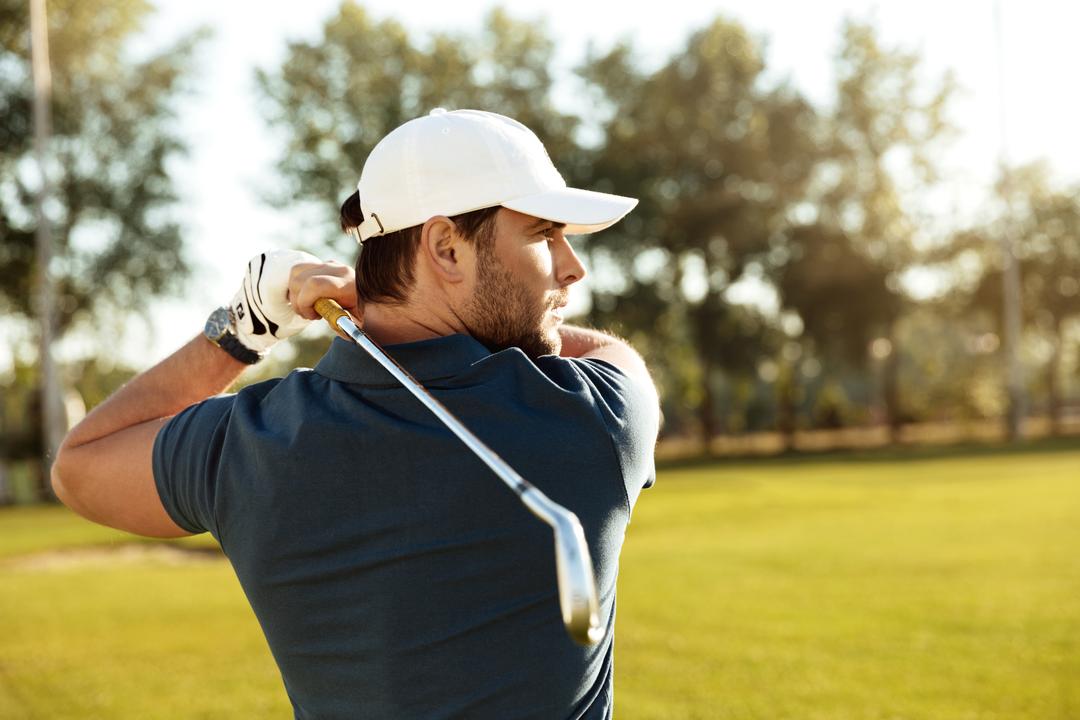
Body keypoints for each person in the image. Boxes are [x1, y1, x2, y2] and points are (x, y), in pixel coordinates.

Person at [52, 109, 661, 719]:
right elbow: (616, 355)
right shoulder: (595, 418)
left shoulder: (255, 441)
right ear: (446, 247)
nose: (573, 265)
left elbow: (79, 466)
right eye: (543, 234)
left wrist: (246, 325)